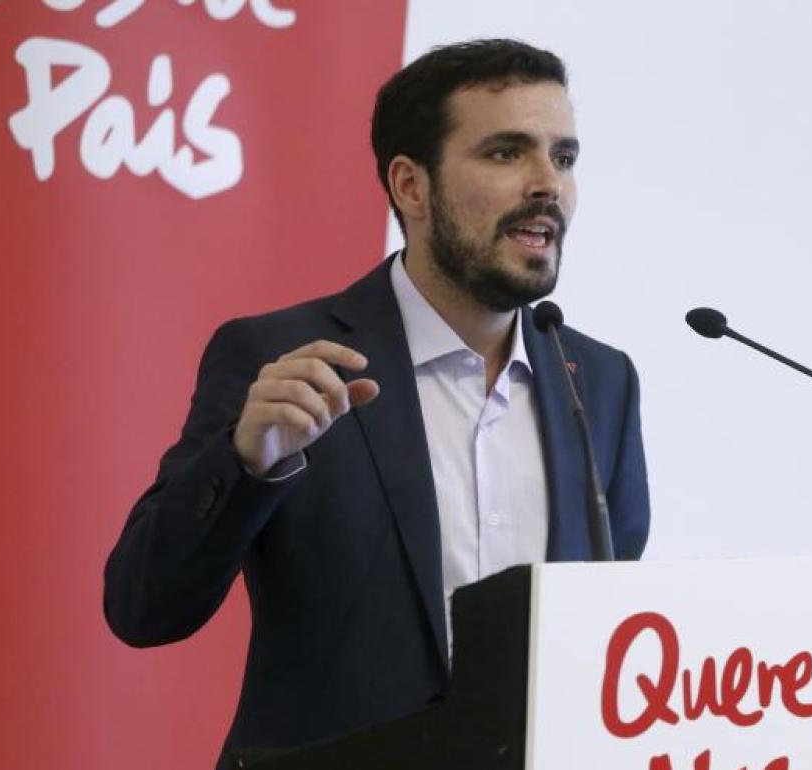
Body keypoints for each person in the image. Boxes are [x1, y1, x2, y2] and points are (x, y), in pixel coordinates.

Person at [103, 38, 650, 764]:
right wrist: (246, 462)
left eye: (565, 156)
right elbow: (144, 609)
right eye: (506, 153)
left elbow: (606, 625)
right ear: (411, 186)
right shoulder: (283, 360)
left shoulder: (600, 383)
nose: (548, 183)